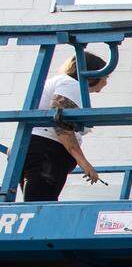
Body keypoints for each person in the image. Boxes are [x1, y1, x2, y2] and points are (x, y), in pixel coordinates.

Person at [20, 51, 108, 201]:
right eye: (105, 76)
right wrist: (83, 162)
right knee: (40, 206)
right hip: (47, 152)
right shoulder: (71, 84)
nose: (106, 81)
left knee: (39, 203)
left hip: (39, 151)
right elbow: (61, 125)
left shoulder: (62, 83)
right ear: (92, 74)